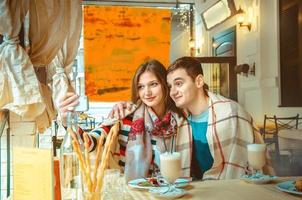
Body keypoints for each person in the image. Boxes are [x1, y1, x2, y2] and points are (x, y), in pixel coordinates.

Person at [111, 57, 274, 180]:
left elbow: (242, 167)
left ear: (199, 81)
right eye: (170, 86)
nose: (173, 91)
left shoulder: (230, 112)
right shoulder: (179, 118)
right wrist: (125, 106)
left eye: (179, 83)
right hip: (195, 189)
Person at [58, 59, 192, 181]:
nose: (147, 92)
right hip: (131, 193)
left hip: (171, 193)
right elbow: (90, 142)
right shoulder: (126, 115)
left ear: (165, 85)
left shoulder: (180, 121)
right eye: (141, 87)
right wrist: (67, 120)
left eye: (153, 84)